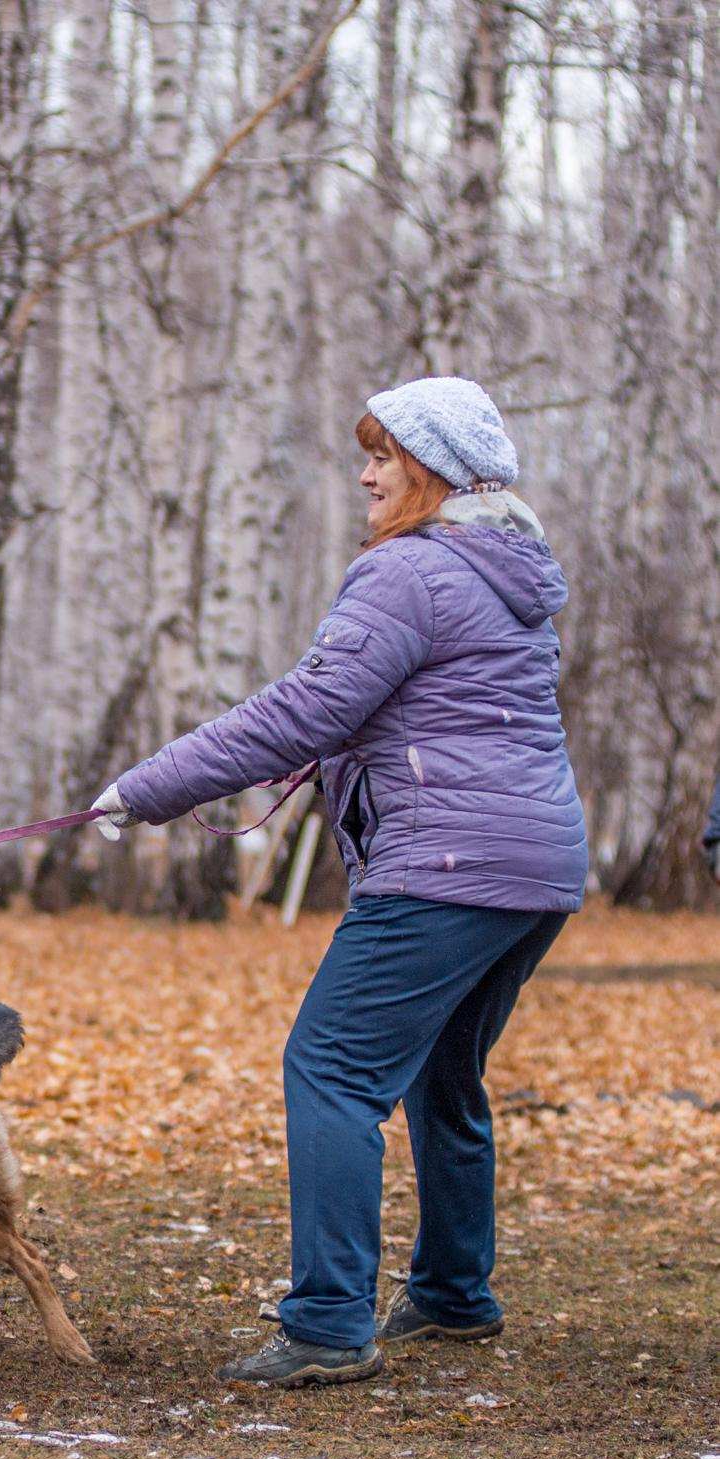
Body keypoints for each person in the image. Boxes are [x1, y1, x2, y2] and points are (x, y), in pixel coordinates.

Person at [93, 377, 585, 1388]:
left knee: (330, 1068)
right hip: (534, 868)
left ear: (433, 471)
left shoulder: (409, 573)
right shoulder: (509, 570)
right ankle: (452, 1294)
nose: (365, 474)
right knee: (442, 1073)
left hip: (443, 868)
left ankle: (325, 1321)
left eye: (382, 455)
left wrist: (146, 788)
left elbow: (297, 712)